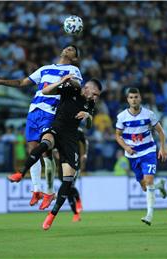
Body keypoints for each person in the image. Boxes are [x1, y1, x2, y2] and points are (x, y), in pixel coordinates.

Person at [0, 45, 82, 210]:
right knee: (32, 149)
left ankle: (49, 191)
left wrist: (69, 81)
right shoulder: (45, 69)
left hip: (51, 112)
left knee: (45, 149)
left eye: (72, 50)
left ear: (75, 57)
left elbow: (77, 86)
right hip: (34, 111)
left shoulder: (73, 69)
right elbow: (22, 82)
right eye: (67, 47)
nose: (67, 49)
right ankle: (36, 189)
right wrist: (0, 81)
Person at [7, 76, 102, 230]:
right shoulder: (72, 89)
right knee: (44, 144)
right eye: (95, 94)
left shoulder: (90, 103)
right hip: (56, 130)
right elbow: (45, 91)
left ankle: (51, 216)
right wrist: (61, 81)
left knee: (67, 180)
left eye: (97, 96)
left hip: (70, 141)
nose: (95, 98)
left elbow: (89, 125)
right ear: (88, 88)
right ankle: (20, 173)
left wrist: (88, 116)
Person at [115, 88, 167, 226]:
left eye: (136, 97)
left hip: (148, 151)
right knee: (145, 186)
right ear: (127, 100)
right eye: (131, 97)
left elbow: (161, 132)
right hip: (132, 154)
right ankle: (159, 186)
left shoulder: (149, 114)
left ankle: (149, 214)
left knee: (148, 180)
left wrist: (162, 148)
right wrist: (126, 147)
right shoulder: (122, 117)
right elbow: (117, 135)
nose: (133, 99)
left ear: (140, 98)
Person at [54, 127, 87, 222]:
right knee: (67, 189)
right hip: (62, 165)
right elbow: (55, 148)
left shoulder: (78, 130)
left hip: (74, 163)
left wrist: (84, 155)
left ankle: (77, 203)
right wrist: (56, 153)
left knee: (69, 185)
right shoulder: (60, 130)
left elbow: (85, 142)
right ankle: (76, 213)